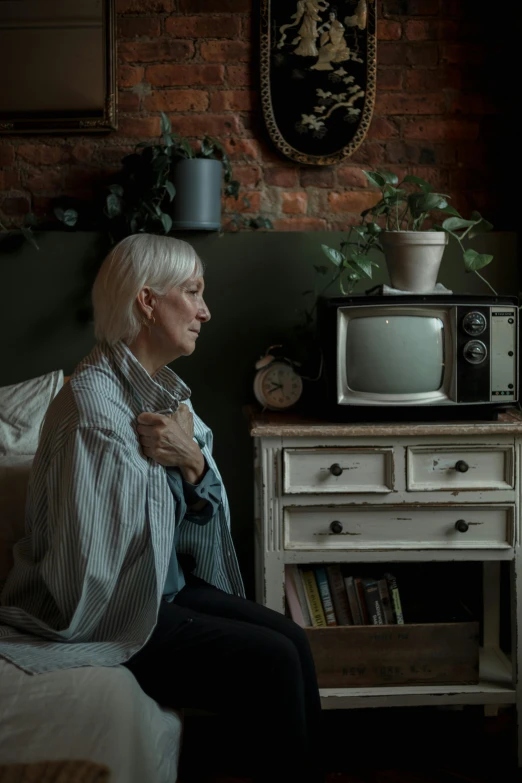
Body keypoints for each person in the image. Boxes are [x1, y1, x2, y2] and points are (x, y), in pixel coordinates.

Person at [0, 234, 324, 783]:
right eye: (192, 292)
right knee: (272, 660)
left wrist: (191, 462)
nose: (205, 310)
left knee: (293, 639)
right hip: (115, 606)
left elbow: (192, 511)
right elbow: (91, 572)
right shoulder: (95, 411)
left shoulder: (161, 394)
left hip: (162, 583)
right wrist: (177, 464)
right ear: (147, 302)